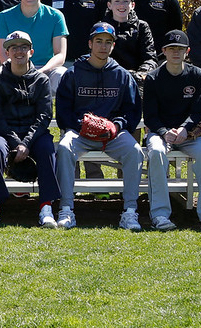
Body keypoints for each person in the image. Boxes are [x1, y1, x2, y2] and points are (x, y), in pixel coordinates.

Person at [53, 22, 144, 231]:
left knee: (135, 151)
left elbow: (132, 111)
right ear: (90, 44)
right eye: (99, 41)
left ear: (113, 46)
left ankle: (130, 211)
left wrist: (116, 125)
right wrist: (81, 125)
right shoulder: (73, 72)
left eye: (108, 43)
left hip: (112, 135)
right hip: (80, 133)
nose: (103, 46)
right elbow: (63, 112)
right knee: (64, 148)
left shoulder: (121, 75)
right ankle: (66, 209)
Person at [142, 30, 201, 232]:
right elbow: (150, 116)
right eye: (172, 49)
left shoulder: (196, 74)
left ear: (187, 51)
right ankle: (159, 214)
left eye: (181, 49)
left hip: (189, 133)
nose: (176, 52)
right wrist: (164, 131)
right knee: (156, 152)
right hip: (160, 132)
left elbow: (196, 111)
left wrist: (184, 129)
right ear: (164, 51)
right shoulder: (153, 78)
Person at [0, 31, 59, 228]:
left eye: (23, 47)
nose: (19, 51)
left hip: (34, 134)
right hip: (5, 133)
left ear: (31, 51)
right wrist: (16, 143)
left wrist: (26, 143)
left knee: (47, 149)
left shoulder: (41, 80)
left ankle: (46, 207)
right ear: (7, 52)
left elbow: (44, 116)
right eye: (14, 47)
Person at [0, 0, 68, 89]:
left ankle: (57, 108)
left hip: (46, 69)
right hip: (15, 67)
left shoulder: (55, 16)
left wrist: (41, 72)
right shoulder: (5, 16)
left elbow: (60, 54)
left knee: (62, 74)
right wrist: (18, 71)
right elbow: (3, 54)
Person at [103, 0, 157, 79]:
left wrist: (141, 73)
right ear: (109, 5)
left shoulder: (142, 27)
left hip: (136, 79)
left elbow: (150, 58)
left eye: (126, 1)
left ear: (132, 5)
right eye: (117, 1)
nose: (121, 5)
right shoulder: (102, 28)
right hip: (108, 78)